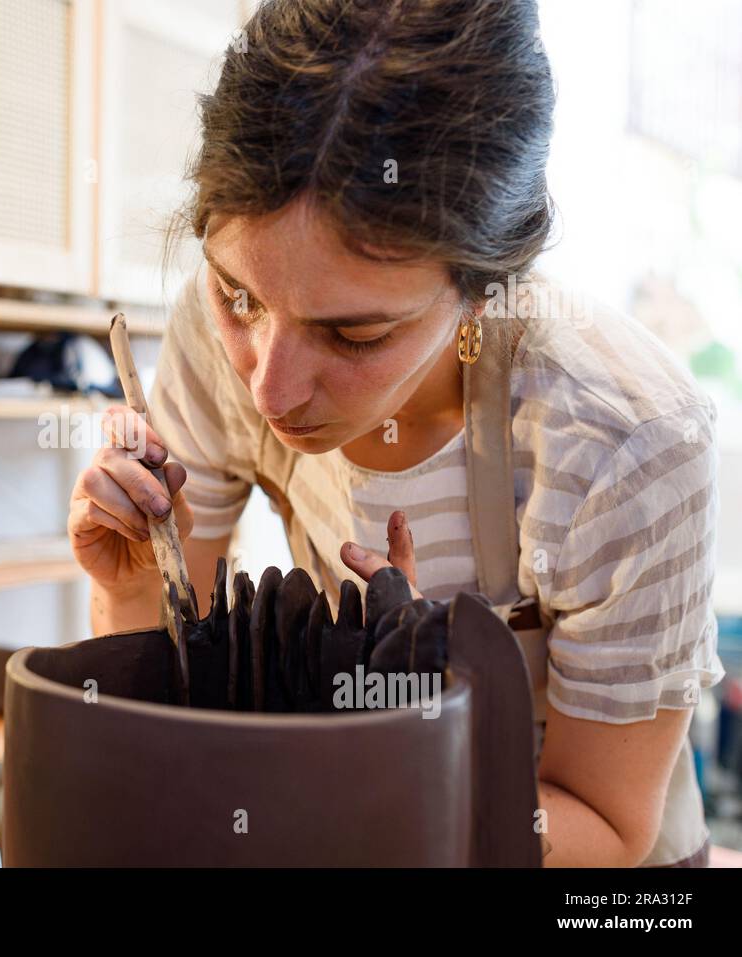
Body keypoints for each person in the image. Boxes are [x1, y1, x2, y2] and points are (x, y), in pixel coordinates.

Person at [67, 0, 724, 867]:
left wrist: (357, 788)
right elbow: (165, 692)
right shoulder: (214, 335)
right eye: (240, 297)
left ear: (483, 287)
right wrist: (130, 583)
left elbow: (602, 822)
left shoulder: (626, 440)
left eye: (355, 335)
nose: (270, 384)